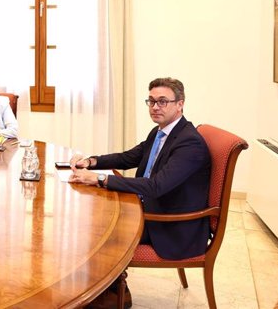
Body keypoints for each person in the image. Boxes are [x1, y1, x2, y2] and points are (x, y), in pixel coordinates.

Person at [68, 77, 210, 307]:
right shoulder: (161, 131)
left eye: (162, 101)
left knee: (99, 231)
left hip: (171, 225)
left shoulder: (189, 143)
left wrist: (101, 179)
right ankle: (106, 290)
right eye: (151, 101)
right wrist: (91, 161)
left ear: (180, 104)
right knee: (93, 215)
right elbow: (129, 157)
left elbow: (156, 186)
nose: (155, 107)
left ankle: (111, 298)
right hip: (151, 206)